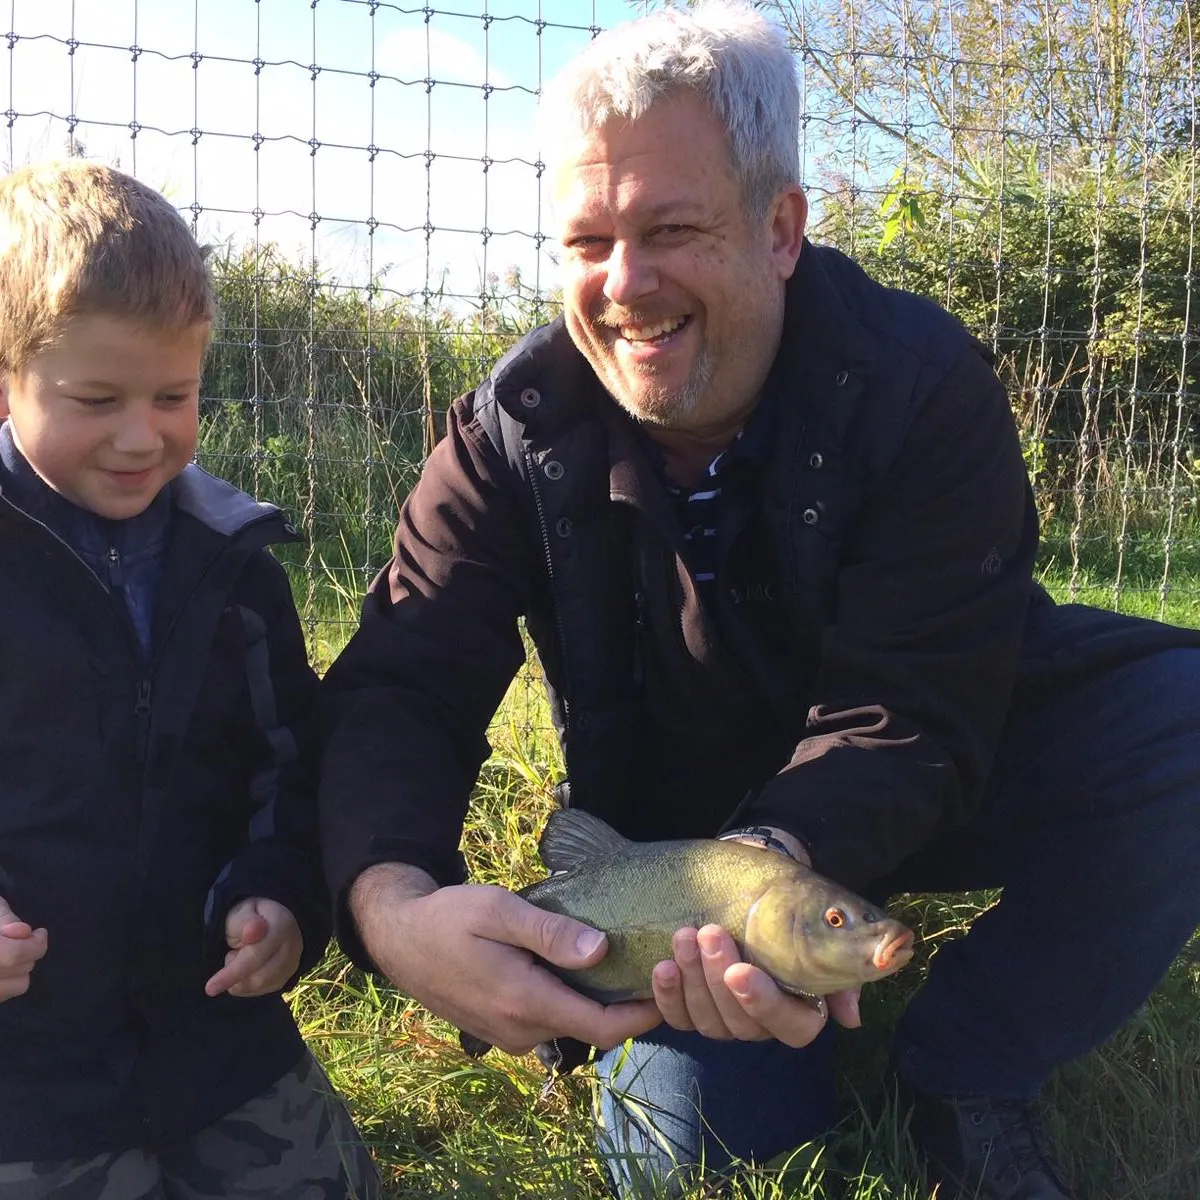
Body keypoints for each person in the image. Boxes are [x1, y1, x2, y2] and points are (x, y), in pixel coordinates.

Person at [317, 4, 1200, 1198]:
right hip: (674, 871)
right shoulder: (511, 433)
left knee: (1184, 715)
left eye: (671, 228)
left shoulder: (922, 388)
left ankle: (967, 1063)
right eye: (586, 241)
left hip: (919, 775)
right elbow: (400, 684)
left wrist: (783, 869)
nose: (623, 285)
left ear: (781, 227)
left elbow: (915, 706)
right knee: (703, 1166)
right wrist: (391, 906)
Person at [0, 162, 380, 1199]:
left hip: (214, 1037)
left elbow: (288, 768)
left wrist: (281, 901)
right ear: (7, 378)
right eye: (96, 399)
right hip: (23, 1072)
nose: (141, 435)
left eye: (174, 396)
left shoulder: (240, 574)